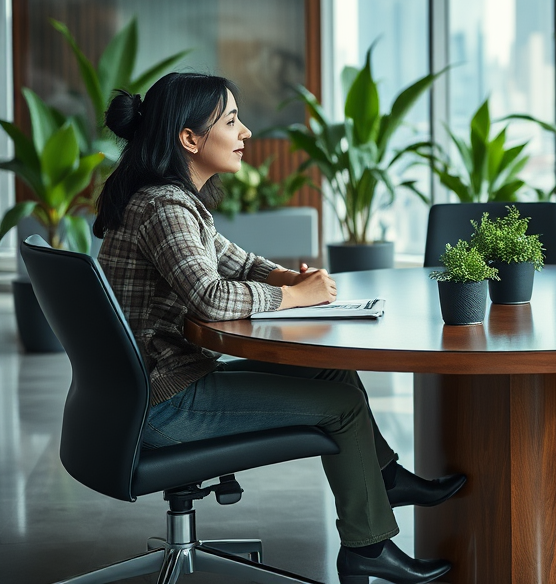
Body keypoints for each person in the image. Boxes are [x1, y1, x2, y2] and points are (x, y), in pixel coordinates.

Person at [94, 72, 463, 584]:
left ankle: (382, 480)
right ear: (189, 138)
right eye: (231, 121)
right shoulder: (164, 207)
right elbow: (211, 296)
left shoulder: (168, 200)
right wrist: (293, 297)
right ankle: (369, 547)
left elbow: (235, 261)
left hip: (145, 391)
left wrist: (288, 276)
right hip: (164, 402)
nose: (245, 132)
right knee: (344, 408)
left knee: (333, 374)